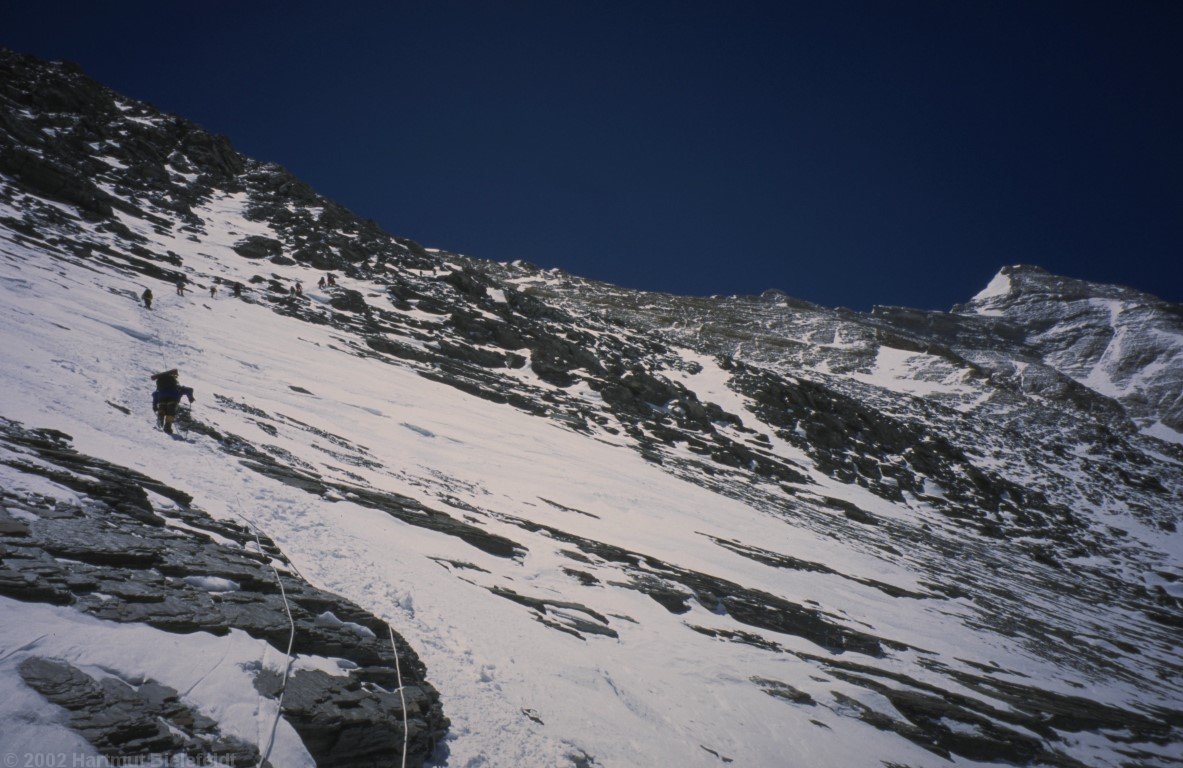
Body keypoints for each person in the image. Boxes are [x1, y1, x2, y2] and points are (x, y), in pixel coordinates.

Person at [150, 369, 194, 434]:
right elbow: (189, 389)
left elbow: (154, 395)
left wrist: (154, 405)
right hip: (173, 399)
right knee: (170, 413)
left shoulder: (160, 390)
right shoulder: (177, 387)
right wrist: (191, 398)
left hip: (161, 398)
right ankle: (167, 427)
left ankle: (160, 418)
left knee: (162, 409)